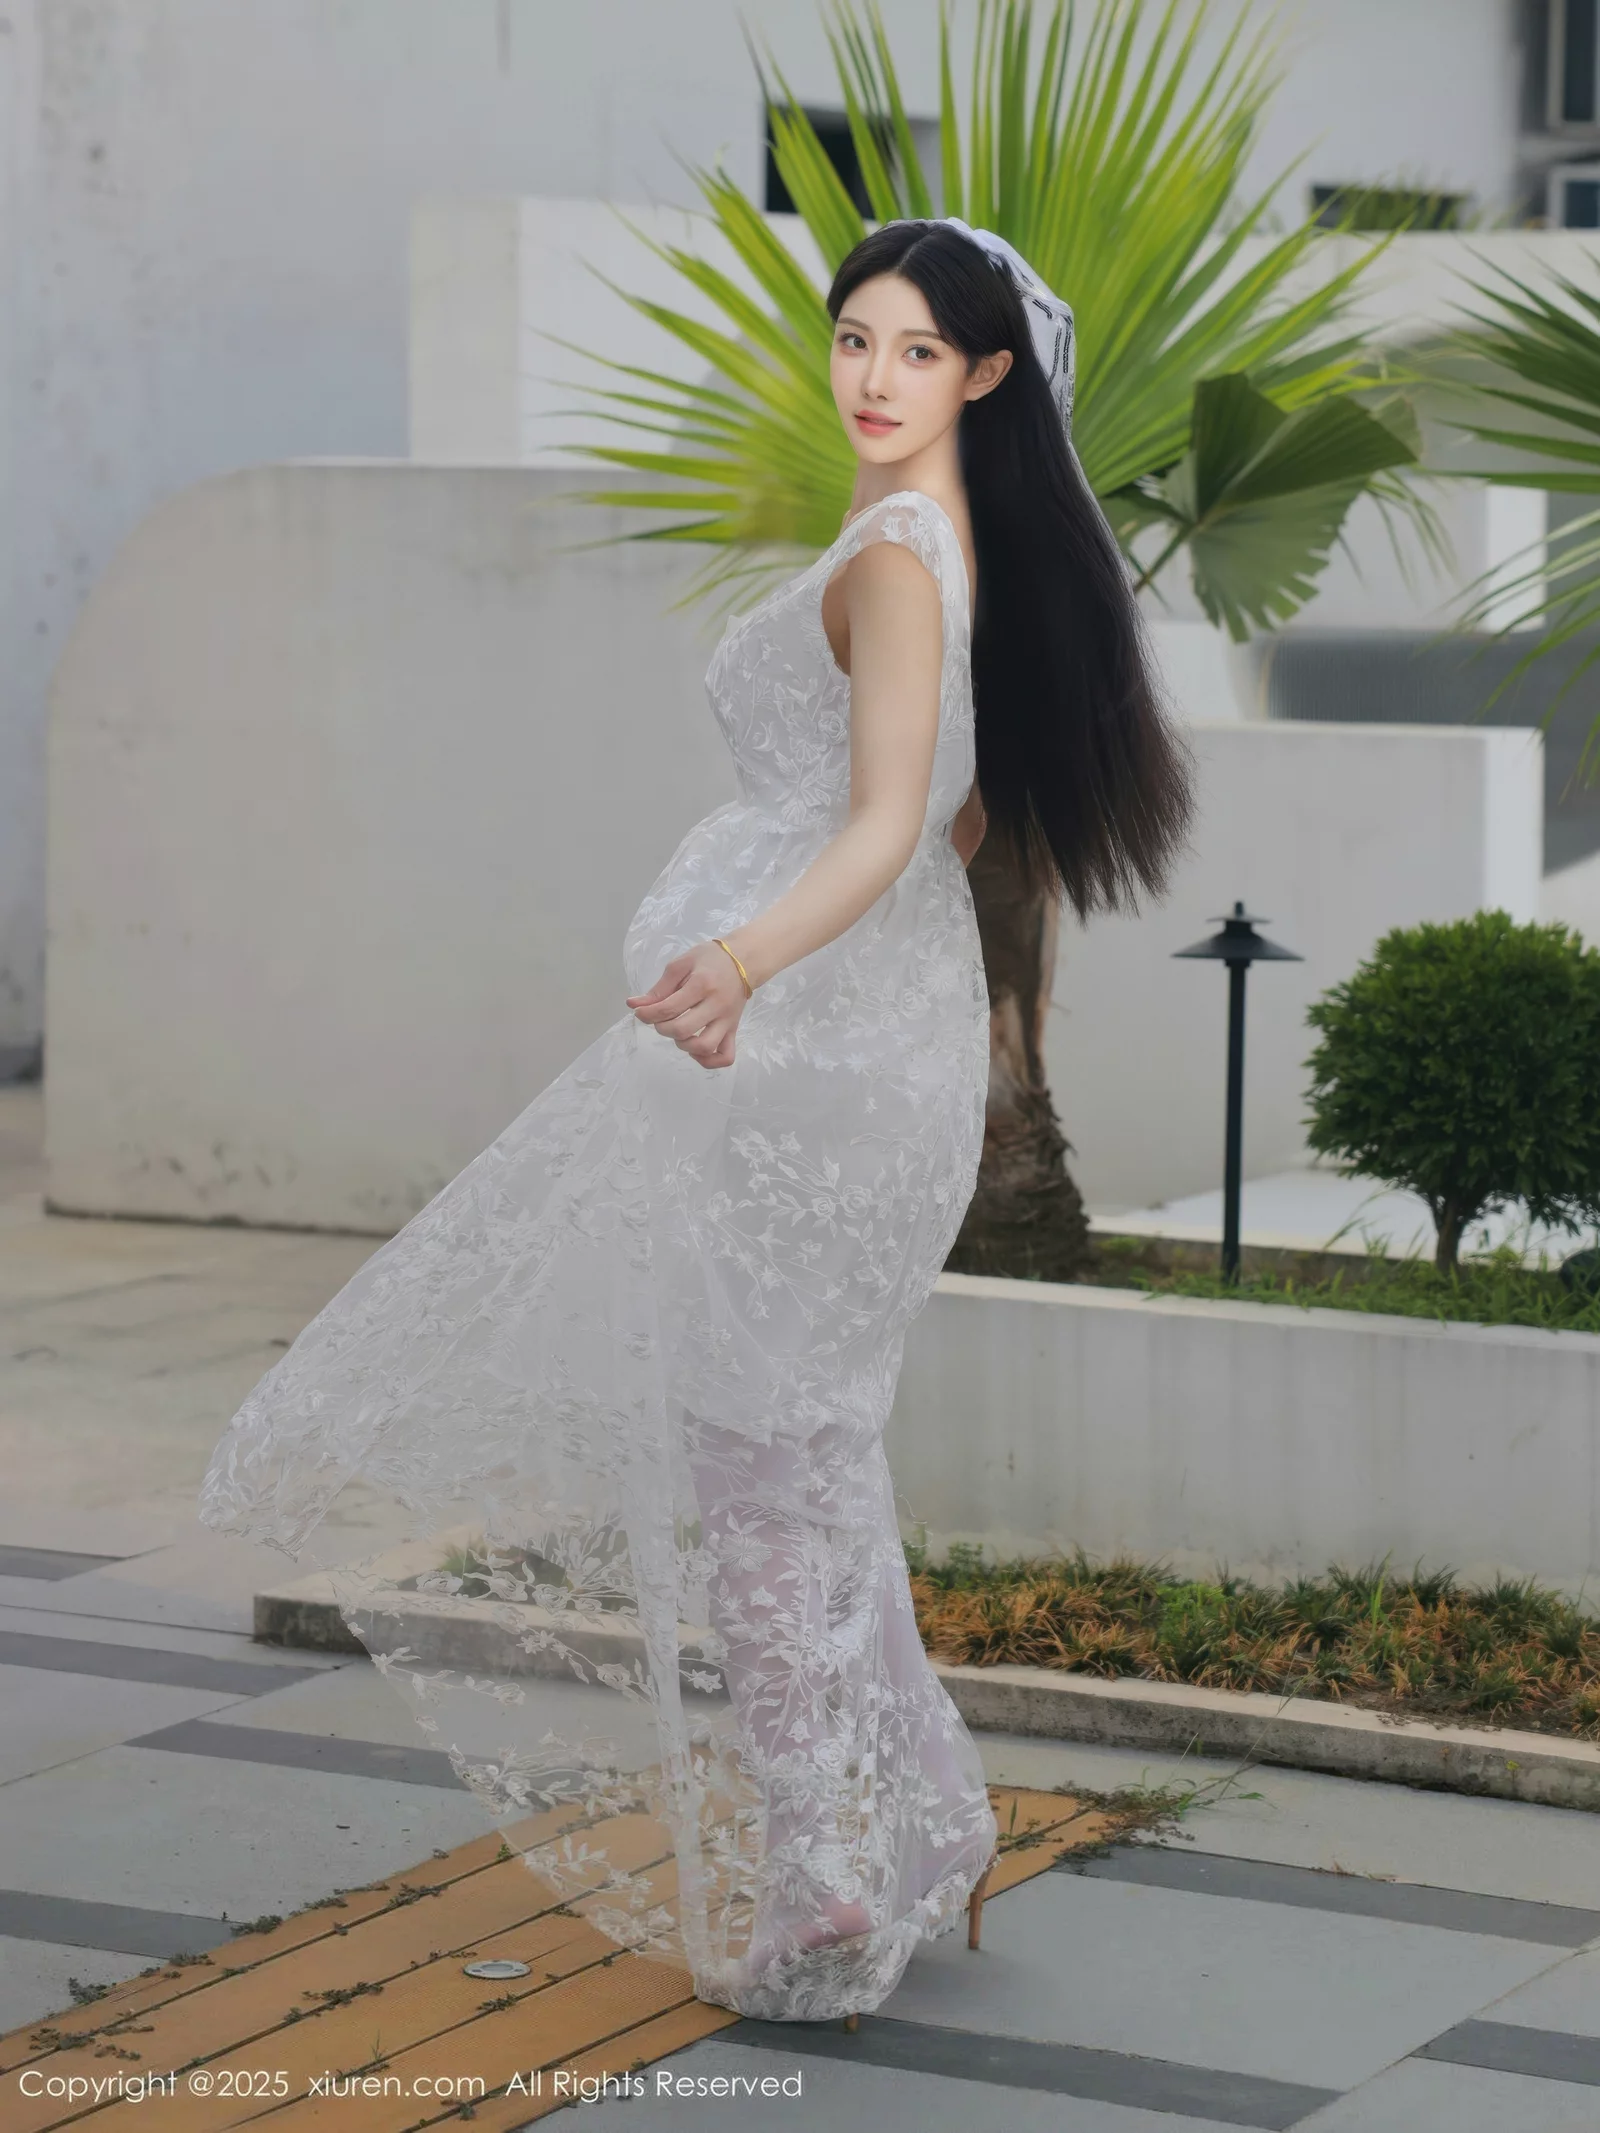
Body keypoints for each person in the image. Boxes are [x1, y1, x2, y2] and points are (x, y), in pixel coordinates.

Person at [199, 216, 1193, 2026]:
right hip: (861, 1042)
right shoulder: (956, 543)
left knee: (758, 1454)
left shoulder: (904, 552)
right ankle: (911, 1818)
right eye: (856, 338)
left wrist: (739, 958)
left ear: (987, 373)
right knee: (801, 1448)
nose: (874, 378)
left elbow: (888, 824)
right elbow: (961, 823)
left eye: (917, 351)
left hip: (804, 1055)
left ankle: (829, 1861)